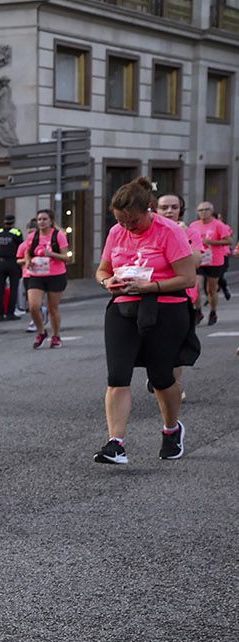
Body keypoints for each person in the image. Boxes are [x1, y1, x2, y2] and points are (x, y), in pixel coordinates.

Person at [93, 176, 197, 465]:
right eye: (121, 221)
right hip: (123, 306)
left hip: (165, 307)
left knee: (162, 377)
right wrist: (107, 281)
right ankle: (116, 443)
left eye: (133, 222)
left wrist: (149, 287)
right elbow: (102, 269)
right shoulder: (116, 232)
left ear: (149, 209)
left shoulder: (170, 231)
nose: (127, 227)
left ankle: (171, 429)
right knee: (117, 375)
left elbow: (187, 278)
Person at [155, 192, 199, 399]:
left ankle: (173, 384)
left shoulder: (189, 231)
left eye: (174, 207)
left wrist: (183, 237)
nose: (169, 211)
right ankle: (159, 374)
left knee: (175, 347)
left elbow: (197, 261)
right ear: (155, 210)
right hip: (152, 295)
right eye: (164, 207)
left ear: (181, 209)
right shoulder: (150, 232)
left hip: (183, 296)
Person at [18, 209, 71, 348]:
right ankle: (41, 332)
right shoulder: (33, 236)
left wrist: (51, 254)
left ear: (51, 221)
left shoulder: (58, 235)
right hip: (36, 275)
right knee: (33, 306)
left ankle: (56, 336)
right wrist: (28, 260)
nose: (41, 222)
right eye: (39, 219)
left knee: (52, 308)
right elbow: (27, 252)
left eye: (44, 219)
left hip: (56, 275)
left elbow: (67, 257)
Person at [187, 201, 232, 326]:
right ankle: (198, 311)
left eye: (206, 209)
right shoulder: (193, 225)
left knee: (211, 290)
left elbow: (228, 241)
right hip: (199, 260)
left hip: (214, 260)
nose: (203, 212)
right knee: (195, 287)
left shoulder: (218, 225)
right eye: (200, 210)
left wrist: (211, 242)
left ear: (211, 211)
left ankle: (213, 312)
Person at [0, 214, 23, 320]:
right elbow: (21, 246)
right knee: (13, 288)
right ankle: (10, 313)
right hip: (13, 262)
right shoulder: (17, 233)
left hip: (0, 262)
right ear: (13, 222)